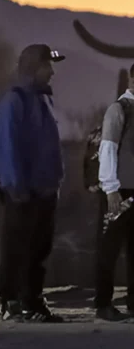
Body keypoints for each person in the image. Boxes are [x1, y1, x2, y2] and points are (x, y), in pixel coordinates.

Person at [0, 44, 66, 323]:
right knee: (18, 247)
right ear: (34, 68)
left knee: (38, 248)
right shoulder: (16, 100)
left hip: (45, 189)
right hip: (24, 191)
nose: (51, 72)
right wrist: (15, 185)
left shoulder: (41, 99)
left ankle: (32, 300)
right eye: (47, 66)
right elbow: (7, 144)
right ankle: (13, 301)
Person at [93, 64, 134, 321]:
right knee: (109, 248)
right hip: (119, 190)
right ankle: (103, 303)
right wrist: (110, 189)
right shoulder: (118, 110)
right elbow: (108, 148)